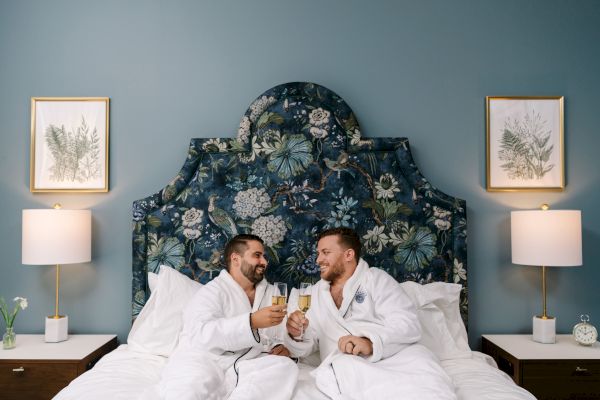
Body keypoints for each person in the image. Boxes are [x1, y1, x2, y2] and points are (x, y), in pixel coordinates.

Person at [285, 227, 457, 400]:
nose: (318, 259)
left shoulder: (376, 279)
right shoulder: (314, 294)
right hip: (347, 362)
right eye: (318, 253)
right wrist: (298, 334)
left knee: (425, 380)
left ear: (348, 255)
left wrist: (370, 342)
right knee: (346, 369)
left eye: (325, 252)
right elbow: (309, 345)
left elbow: (408, 324)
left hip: (394, 357)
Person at [159, 234, 298, 400]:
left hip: (250, 361)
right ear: (236, 258)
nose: (264, 262)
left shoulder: (272, 293)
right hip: (206, 359)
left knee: (285, 366)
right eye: (257, 255)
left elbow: (275, 335)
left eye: (264, 256)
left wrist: (282, 345)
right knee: (188, 388)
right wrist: (251, 321)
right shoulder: (212, 292)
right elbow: (201, 334)